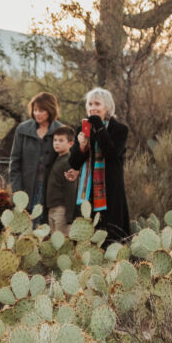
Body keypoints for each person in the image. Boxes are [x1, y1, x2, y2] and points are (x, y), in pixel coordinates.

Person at [69, 87, 131, 244]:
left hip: (110, 192)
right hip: (87, 193)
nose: (92, 108)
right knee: (86, 239)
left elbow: (111, 153)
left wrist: (99, 127)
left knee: (110, 237)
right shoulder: (82, 129)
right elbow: (74, 163)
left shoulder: (119, 129)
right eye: (90, 104)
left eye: (97, 104)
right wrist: (82, 147)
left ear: (107, 107)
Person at [9, 92, 63, 222]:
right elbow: (14, 162)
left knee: (45, 226)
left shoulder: (60, 130)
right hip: (26, 188)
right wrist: (17, 190)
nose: (37, 113)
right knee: (25, 226)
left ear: (50, 110)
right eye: (35, 110)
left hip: (50, 188)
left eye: (42, 110)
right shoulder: (22, 129)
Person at [44, 126, 78, 235]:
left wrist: (69, 216)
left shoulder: (69, 162)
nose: (56, 143)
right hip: (52, 208)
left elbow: (70, 189)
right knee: (54, 242)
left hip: (62, 210)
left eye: (61, 140)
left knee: (62, 243)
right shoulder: (57, 160)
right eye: (55, 140)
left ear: (71, 143)